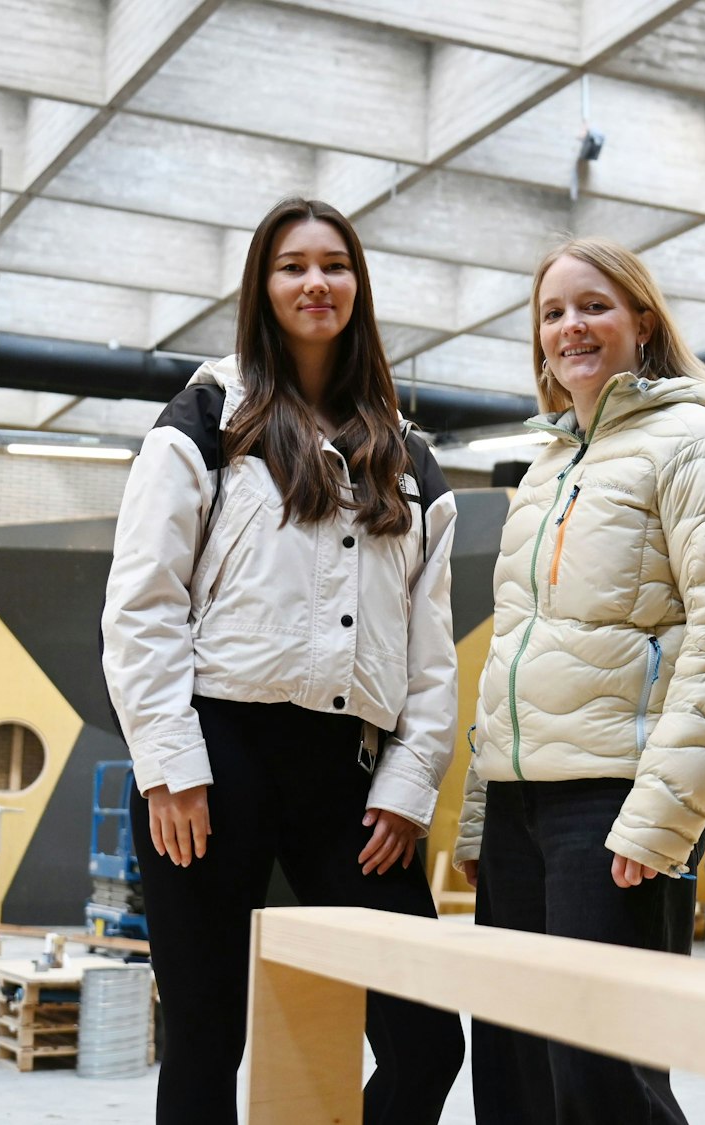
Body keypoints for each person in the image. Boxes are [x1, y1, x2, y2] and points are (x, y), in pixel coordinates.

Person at [102, 197, 464, 1125]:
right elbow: (143, 602)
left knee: (429, 1039)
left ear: (358, 286)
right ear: (263, 286)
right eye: (292, 265)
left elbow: (431, 653)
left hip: (349, 776)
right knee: (206, 1035)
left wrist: (409, 783)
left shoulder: (410, 460)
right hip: (215, 753)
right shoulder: (206, 417)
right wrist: (169, 765)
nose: (316, 282)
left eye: (334, 265)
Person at [454, 236, 705, 1124]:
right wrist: (486, 809)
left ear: (641, 319)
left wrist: (665, 816)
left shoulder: (697, 445)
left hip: (615, 807)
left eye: (593, 305)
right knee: (513, 1076)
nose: (572, 327)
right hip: (522, 808)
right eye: (552, 312)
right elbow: (518, 650)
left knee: (602, 1083)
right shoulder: (549, 466)